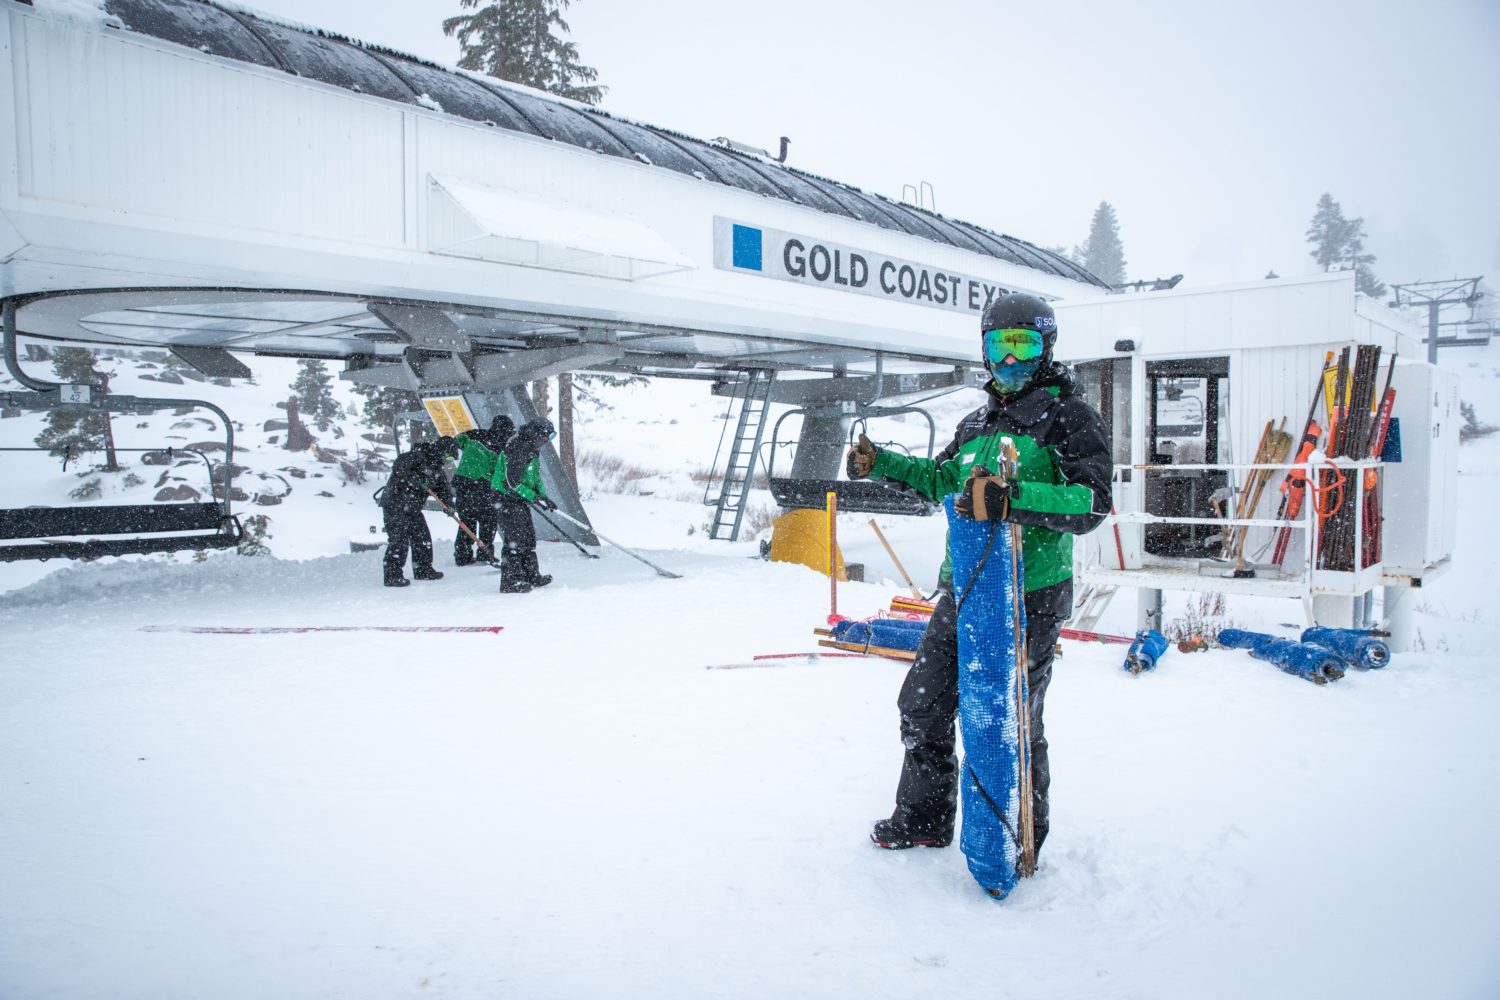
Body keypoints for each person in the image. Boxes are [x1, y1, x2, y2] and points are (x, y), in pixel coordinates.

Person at [847, 292, 1112, 860]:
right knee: (923, 702)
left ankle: (1020, 837)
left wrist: (1011, 498)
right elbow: (942, 477)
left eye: (1023, 346)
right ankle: (924, 818)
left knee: (1012, 717)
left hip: (1030, 592)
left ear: (1046, 349)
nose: (1009, 361)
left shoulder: (1068, 417)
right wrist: (885, 463)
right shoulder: (977, 422)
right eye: (999, 346)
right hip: (967, 587)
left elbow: (1090, 502)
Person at [379, 437, 457, 587]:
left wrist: (448, 505)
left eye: (450, 458)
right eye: (447, 456)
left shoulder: (436, 469)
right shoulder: (418, 455)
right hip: (395, 503)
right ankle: (392, 575)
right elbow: (399, 466)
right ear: (440, 451)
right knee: (399, 540)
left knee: (422, 537)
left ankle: (423, 569)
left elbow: (443, 489)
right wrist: (413, 479)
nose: (448, 460)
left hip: (413, 508)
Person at [492, 418, 557, 594]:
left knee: (527, 537)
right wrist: (533, 497)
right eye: (545, 437)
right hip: (505, 498)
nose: (546, 441)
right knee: (515, 539)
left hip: (518, 498)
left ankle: (530, 574)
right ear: (536, 433)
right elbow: (511, 482)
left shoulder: (532, 449)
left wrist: (543, 497)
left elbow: (534, 477)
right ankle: (510, 581)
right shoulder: (518, 447)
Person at [452, 415, 513, 567]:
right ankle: (485, 554)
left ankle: (462, 555)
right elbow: (499, 472)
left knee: (466, 521)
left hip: (462, 484)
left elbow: (458, 441)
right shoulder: (500, 447)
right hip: (482, 487)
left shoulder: (474, 434)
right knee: (488, 521)